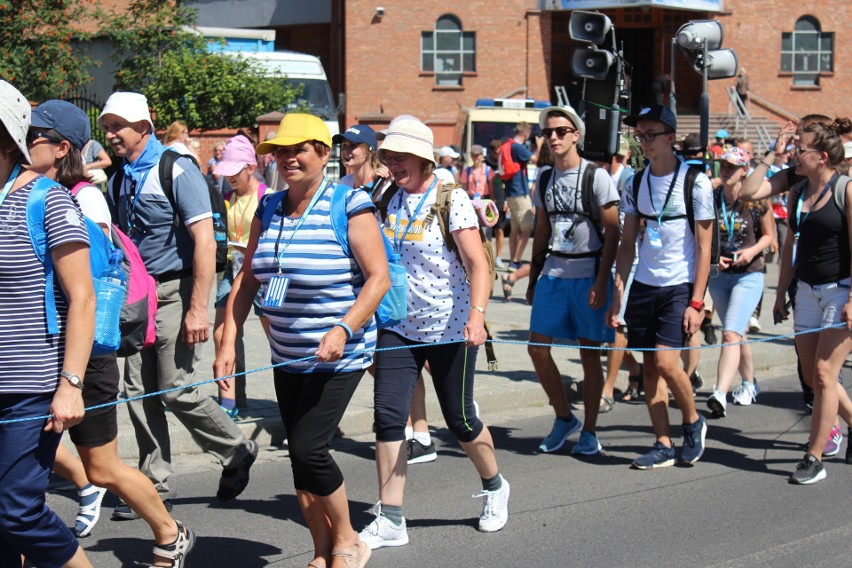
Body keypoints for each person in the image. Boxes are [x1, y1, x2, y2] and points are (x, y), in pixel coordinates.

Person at [214, 112, 387, 568]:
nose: (288, 159)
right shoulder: (267, 208)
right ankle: (320, 548)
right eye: (281, 151)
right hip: (286, 353)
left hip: (340, 353)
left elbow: (378, 280)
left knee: (310, 447)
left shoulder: (349, 205)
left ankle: (348, 538)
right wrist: (228, 341)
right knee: (299, 456)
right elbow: (249, 280)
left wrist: (343, 327)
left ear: (324, 154)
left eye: (299, 150)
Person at [27, 99, 194, 565]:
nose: (21, 143)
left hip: (83, 356)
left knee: (101, 469)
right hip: (38, 353)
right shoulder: (23, 190)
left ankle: (169, 532)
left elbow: (94, 283)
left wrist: (72, 378)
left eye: (32, 136)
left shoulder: (80, 197)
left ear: (62, 148)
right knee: (20, 485)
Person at [98, 92, 258, 516]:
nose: (112, 133)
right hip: (139, 297)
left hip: (177, 291)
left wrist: (198, 307)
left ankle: (237, 448)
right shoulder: (119, 179)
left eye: (120, 125)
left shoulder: (176, 168)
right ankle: (152, 483)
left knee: (176, 388)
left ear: (144, 126)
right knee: (136, 392)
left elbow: (205, 241)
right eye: (108, 126)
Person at [360, 117, 510, 550]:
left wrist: (478, 316)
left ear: (424, 158)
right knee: (389, 418)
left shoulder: (451, 198)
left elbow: (479, 265)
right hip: (397, 326)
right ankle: (391, 518)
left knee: (460, 421)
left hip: (450, 327)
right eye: (387, 156)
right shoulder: (384, 196)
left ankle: (495, 485)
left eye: (400, 156)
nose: (391, 163)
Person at [0, 80, 94, 568]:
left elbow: (82, 297)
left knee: (17, 512)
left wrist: (71, 385)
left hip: (29, 382)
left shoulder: (47, 200)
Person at [607, 105, 712, 469]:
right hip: (644, 285)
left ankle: (694, 421)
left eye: (650, 135)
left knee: (668, 362)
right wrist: (618, 289)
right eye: (639, 136)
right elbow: (627, 242)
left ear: (670, 138)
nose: (643, 143)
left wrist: (697, 302)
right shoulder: (635, 181)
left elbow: (704, 248)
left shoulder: (694, 181)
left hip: (679, 285)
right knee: (650, 365)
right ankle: (663, 443)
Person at [525, 105, 620, 454]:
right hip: (554, 271)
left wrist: (600, 280)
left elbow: (613, 231)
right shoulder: (545, 177)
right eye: (549, 132)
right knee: (536, 348)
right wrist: (533, 277)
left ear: (575, 135)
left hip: (587, 275)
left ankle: (591, 429)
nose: (553, 137)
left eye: (561, 131)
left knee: (589, 355)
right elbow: (542, 228)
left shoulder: (596, 176)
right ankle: (564, 417)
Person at [773, 118, 852, 484]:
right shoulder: (798, 191)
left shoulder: (846, 191)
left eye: (799, 149)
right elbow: (791, 245)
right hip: (806, 290)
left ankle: (814, 455)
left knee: (824, 373)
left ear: (821, 157)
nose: (793, 154)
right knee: (810, 375)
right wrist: (779, 294)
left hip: (841, 288)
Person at [705, 148, 774, 418]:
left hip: (749, 274)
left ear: (744, 170)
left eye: (732, 167)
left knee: (730, 333)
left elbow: (769, 236)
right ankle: (748, 383)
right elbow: (702, 236)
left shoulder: (756, 201)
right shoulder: (711, 198)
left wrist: (751, 251)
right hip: (720, 276)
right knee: (737, 333)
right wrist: (713, 260)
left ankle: (720, 392)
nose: (726, 170)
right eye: (723, 165)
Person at [212, 135, 271, 418]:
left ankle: (293, 394)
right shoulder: (225, 197)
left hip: (262, 273)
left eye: (235, 171)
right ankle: (229, 403)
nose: (230, 177)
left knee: (276, 335)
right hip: (231, 270)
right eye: (227, 171)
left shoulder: (267, 196)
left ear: (250, 166)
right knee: (223, 333)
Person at [504, 122, 541, 273]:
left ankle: (514, 260)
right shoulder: (517, 147)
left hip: (511, 192)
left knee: (515, 229)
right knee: (527, 228)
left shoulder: (509, 145)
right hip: (520, 192)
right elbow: (536, 160)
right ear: (526, 134)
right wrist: (539, 145)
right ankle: (515, 261)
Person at [335, 124, 391, 199]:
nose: (345, 151)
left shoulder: (383, 184)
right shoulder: (345, 182)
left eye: (352, 145)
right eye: (344, 145)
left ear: (369, 150)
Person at [485, 139, 508, 269]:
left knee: (499, 229)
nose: (498, 156)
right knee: (486, 231)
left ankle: (498, 258)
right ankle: (487, 256)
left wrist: (506, 200)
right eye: (496, 153)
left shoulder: (504, 164)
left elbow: (508, 183)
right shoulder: (485, 164)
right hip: (487, 200)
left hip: (501, 199)